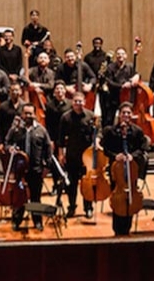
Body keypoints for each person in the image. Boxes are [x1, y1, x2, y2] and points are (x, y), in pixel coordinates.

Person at [101, 102, 147, 235]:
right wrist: (115, 156)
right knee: (117, 198)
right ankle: (117, 229)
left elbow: (143, 148)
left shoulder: (137, 131)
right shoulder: (110, 131)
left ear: (131, 115)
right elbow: (105, 149)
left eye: (128, 113)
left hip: (132, 170)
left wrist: (133, 156)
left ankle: (127, 227)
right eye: (123, 113)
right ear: (119, 115)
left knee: (131, 198)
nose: (126, 115)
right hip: (116, 171)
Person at [4, 104, 52, 231]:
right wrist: (10, 148)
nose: (28, 116)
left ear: (35, 114)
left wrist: (47, 166)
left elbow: (48, 149)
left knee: (36, 197)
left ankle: (37, 221)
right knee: (19, 197)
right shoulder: (15, 130)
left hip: (36, 170)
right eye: (26, 113)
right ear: (22, 114)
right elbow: (6, 143)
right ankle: (17, 221)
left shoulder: (42, 130)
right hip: (20, 170)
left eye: (30, 113)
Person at [58, 91, 97, 219]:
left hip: (87, 157)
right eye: (76, 101)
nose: (78, 104)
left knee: (87, 184)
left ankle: (88, 208)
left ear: (84, 102)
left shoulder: (91, 116)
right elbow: (61, 138)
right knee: (72, 184)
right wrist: (61, 154)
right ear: (72, 102)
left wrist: (97, 140)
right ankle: (72, 207)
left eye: (80, 101)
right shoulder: (65, 117)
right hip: (72, 155)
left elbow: (97, 132)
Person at [103, 47, 139, 129]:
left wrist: (137, 76)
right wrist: (122, 86)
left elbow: (136, 75)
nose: (120, 56)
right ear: (116, 56)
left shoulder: (130, 67)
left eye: (122, 54)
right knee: (109, 119)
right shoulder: (110, 67)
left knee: (126, 118)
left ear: (126, 56)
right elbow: (109, 82)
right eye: (118, 54)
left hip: (126, 97)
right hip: (113, 97)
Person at [0, 82, 25, 149]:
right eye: (12, 90)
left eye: (16, 90)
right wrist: (0, 143)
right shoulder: (3, 106)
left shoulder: (25, 106)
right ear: (9, 92)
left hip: (22, 140)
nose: (14, 92)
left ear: (20, 91)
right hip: (7, 140)